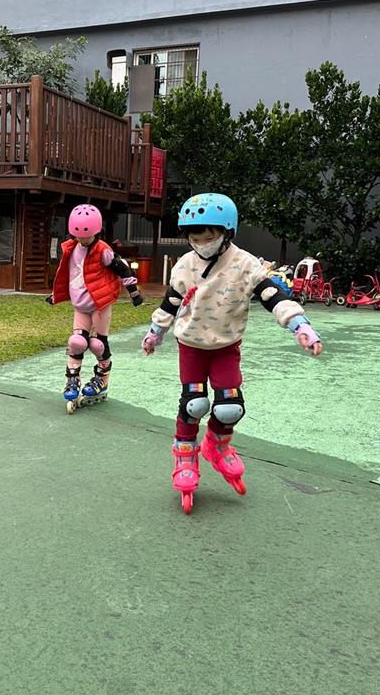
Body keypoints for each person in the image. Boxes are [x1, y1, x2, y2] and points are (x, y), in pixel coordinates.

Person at [140, 193, 323, 514]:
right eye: (195, 238)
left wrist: (299, 325)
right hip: (191, 347)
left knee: (230, 409)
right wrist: (155, 332)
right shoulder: (185, 265)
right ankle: (185, 455)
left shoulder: (245, 264)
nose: (201, 244)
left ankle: (216, 445)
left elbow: (272, 295)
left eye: (208, 237)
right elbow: (171, 302)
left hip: (226, 347)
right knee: (195, 404)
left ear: (227, 233)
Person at [46, 204, 143, 412]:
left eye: (87, 237)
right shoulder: (70, 248)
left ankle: (102, 379)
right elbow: (68, 274)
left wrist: (133, 292)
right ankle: (73, 379)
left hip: (100, 304)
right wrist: (56, 295)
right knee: (76, 342)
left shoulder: (103, 250)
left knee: (98, 345)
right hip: (80, 305)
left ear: (96, 231)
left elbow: (122, 269)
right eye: (79, 237)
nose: (83, 240)